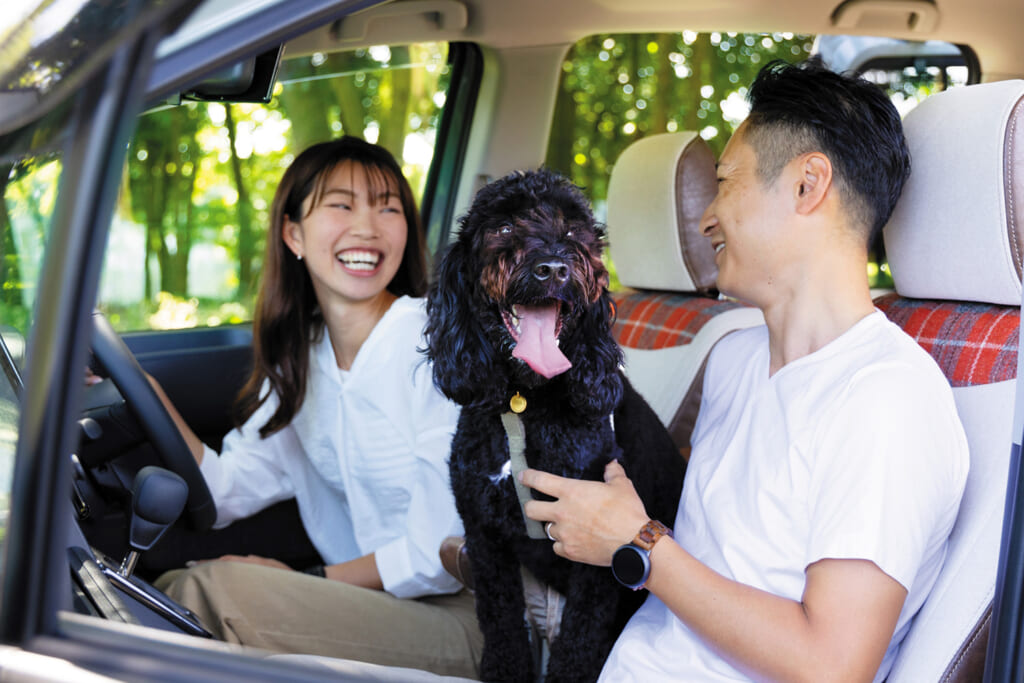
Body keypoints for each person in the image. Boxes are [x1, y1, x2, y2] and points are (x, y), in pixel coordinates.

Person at [519, 59, 969, 682]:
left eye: (726, 183)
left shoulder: (887, 399)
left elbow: (830, 666)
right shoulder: (736, 357)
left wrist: (640, 543)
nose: (706, 218)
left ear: (808, 185)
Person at [153, 136, 482, 679]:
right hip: (379, 609)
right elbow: (228, 489)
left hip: (469, 618)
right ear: (293, 233)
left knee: (208, 592)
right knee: (175, 590)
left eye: (388, 207)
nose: (368, 228)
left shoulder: (438, 344)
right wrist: (141, 385)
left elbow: (437, 553)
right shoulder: (302, 359)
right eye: (341, 204)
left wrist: (306, 579)